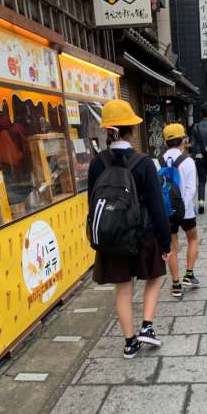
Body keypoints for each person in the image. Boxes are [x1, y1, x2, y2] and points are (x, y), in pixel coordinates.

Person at [88, 99, 171, 359]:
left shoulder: (97, 163)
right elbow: (157, 207)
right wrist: (165, 242)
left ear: (107, 130)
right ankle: (147, 326)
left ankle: (129, 342)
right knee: (155, 277)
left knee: (123, 289)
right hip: (144, 235)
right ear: (131, 130)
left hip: (113, 237)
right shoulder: (144, 163)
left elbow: (92, 201)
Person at [161, 123, 199, 298]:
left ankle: (176, 285)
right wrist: (182, 206)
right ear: (183, 140)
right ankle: (189, 275)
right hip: (186, 211)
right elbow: (191, 188)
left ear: (165, 141)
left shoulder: (158, 161)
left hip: (167, 211)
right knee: (192, 239)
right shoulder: (188, 161)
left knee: (172, 247)